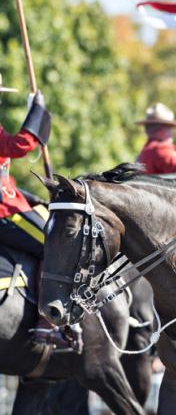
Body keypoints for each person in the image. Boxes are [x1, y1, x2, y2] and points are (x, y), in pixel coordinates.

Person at [0, 78, 78, 349]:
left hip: (10, 203)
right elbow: (19, 145)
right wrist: (37, 113)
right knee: (54, 245)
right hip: (3, 213)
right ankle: (48, 324)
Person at [135, 102, 176, 175]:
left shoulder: (145, 151)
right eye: (169, 128)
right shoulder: (165, 152)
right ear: (161, 130)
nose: (172, 133)